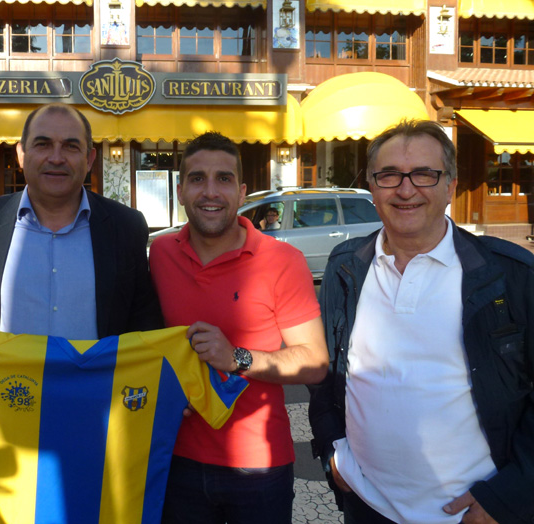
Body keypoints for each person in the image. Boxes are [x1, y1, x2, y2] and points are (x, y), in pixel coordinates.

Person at [308, 119, 534, 524]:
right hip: (367, 506)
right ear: (373, 189)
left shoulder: (510, 275)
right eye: (389, 175)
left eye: (424, 174)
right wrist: (331, 451)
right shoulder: (347, 268)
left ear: (449, 186)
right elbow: (326, 373)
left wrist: (509, 495)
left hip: (470, 515)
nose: (406, 189)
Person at [149, 131, 328, 524]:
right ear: (180, 191)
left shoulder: (282, 260)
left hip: (258, 467)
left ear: (243, 191)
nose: (210, 191)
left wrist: (236, 358)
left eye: (223, 179)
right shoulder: (160, 253)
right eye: (197, 179)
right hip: (175, 458)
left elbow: (315, 363)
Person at [0, 102, 162, 338]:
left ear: (89, 158)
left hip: (95, 376)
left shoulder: (126, 227)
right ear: (21, 154)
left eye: (71, 147)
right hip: (4, 376)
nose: (56, 158)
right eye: (43, 144)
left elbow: (144, 324)